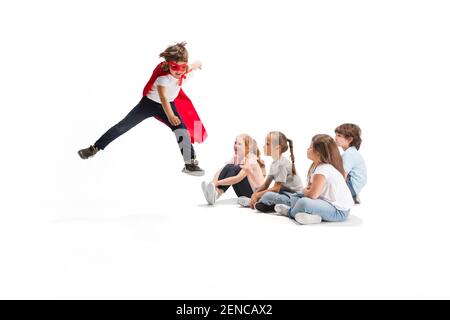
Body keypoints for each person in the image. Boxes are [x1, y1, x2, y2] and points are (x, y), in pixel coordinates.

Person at [78, 42, 207, 176]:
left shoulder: (185, 71)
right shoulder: (163, 78)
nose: (178, 71)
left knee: (182, 130)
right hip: (149, 104)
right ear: (169, 65)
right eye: (174, 67)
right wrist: (170, 115)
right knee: (122, 126)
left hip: (169, 103)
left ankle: (189, 163)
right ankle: (94, 148)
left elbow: (193, 65)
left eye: (182, 67)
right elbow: (162, 97)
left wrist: (198, 63)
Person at [274, 134, 354, 225]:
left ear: (318, 153)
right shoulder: (317, 167)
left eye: (310, 147)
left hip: (339, 211)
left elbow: (312, 195)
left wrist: (305, 191)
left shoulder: (323, 169)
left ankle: (290, 212)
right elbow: (312, 189)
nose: (308, 149)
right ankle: (315, 217)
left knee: (303, 202)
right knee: (296, 196)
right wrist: (305, 192)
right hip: (326, 203)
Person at [201, 134, 265, 205]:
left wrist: (217, 183)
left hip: (256, 195)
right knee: (229, 166)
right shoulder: (236, 158)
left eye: (239, 144)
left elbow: (238, 178)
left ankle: (216, 194)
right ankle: (214, 194)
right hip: (244, 194)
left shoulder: (251, 160)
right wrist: (212, 183)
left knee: (236, 168)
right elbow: (220, 171)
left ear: (247, 148)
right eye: (235, 143)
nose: (236, 145)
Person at [335, 123, 367, 204]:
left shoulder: (349, 154)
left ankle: (350, 196)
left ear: (349, 139)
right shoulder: (351, 152)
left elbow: (342, 175)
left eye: (339, 135)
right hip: (354, 186)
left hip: (351, 186)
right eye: (336, 135)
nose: (335, 138)